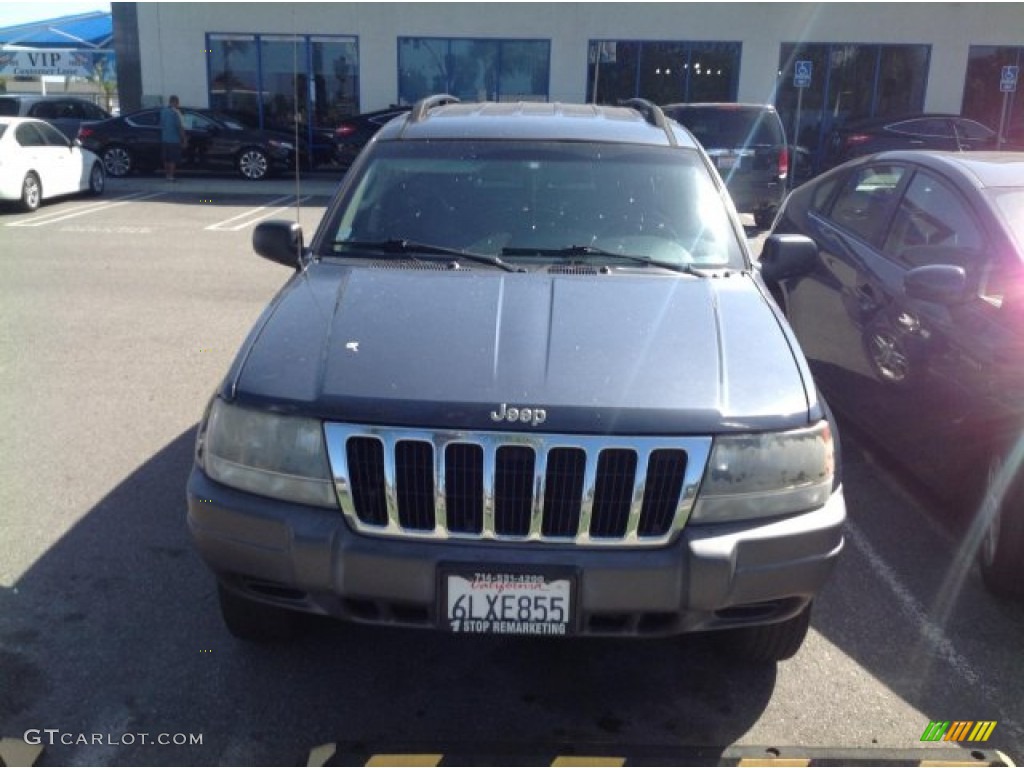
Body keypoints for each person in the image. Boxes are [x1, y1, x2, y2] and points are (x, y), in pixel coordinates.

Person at [160, 95, 187, 181]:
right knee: (172, 159)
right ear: (175, 102)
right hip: (174, 140)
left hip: (164, 139)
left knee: (166, 159)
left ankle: (167, 175)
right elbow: (180, 127)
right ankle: (171, 176)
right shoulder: (176, 113)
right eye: (177, 102)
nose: (178, 104)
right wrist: (184, 139)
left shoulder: (163, 112)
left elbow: (161, 124)